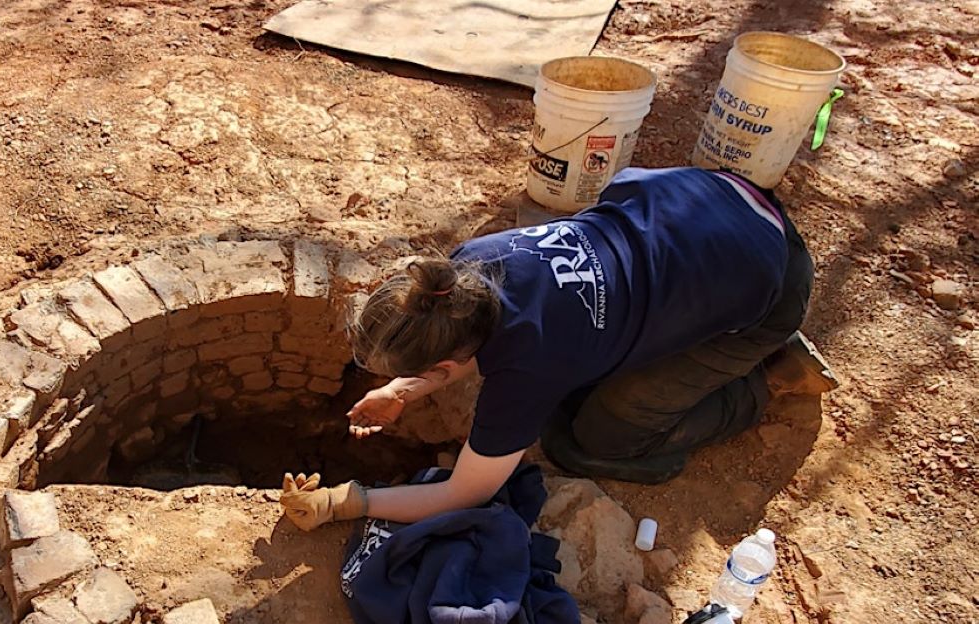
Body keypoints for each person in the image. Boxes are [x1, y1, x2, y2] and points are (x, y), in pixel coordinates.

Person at [280, 166, 829, 532]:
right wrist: (404, 387)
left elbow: (463, 493)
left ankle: (768, 376)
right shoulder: (464, 267)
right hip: (715, 200)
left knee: (592, 438)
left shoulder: (527, 370)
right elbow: (471, 343)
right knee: (586, 381)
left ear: (449, 361)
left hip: (771, 279)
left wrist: (348, 502)